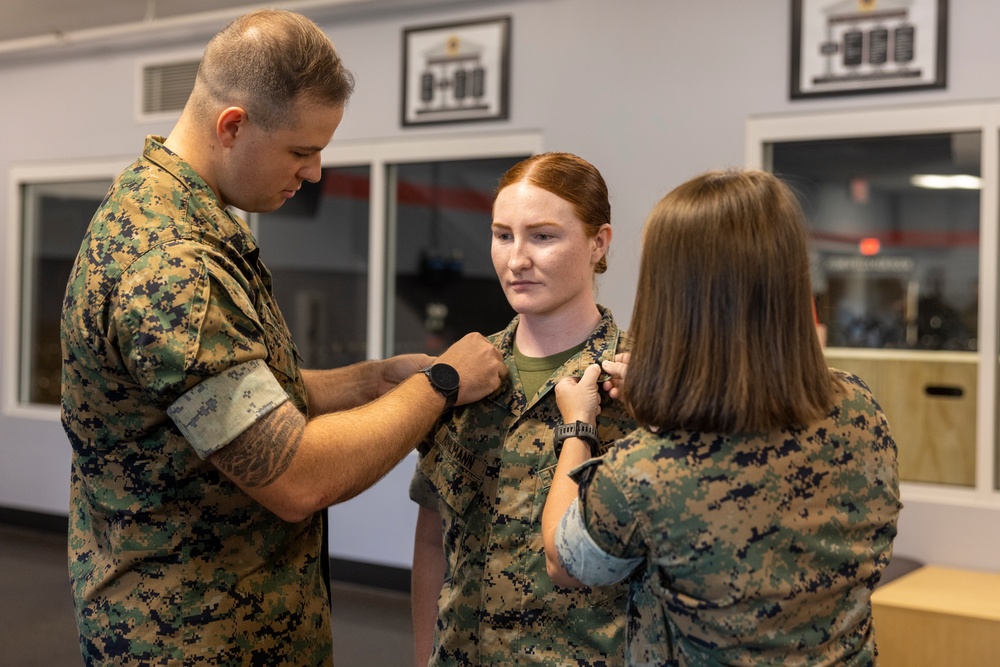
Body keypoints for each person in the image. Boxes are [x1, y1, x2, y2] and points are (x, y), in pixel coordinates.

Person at [60, 10, 506, 666]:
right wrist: (441, 385)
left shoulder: (186, 216)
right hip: (192, 637)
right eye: (302, 150)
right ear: (233, 125)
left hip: (232, 622)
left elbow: (235, 404)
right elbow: (292, 474)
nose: (318, 172)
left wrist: (373, 380)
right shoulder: (172, 265)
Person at [541, 169, 902, 666]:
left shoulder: (644, 472)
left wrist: (577, 426)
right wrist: (663, 398)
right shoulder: (859, 408)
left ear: (671, 298)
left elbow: (563, 560)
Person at [409, 152, 638, 666]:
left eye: (543, 236)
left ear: (598, 242)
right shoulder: (463, 375)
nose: (516, 259)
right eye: (503, 235)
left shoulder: (639, 386)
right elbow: (431, 542)